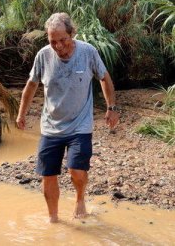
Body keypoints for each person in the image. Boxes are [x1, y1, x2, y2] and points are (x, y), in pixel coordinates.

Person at [16, 12, 119, 223]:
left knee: (77, 170)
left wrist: (112, 107)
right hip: (51, 126)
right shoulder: (43, 55)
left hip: (80, 125)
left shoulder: (88, 52)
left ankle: (80, 199)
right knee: (48, 175)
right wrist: (21, 114)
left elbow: (104, 78)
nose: (58, 46)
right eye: (53, 41)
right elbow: (31, 85)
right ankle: (53, 219)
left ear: (72, 33)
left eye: (63, 40)